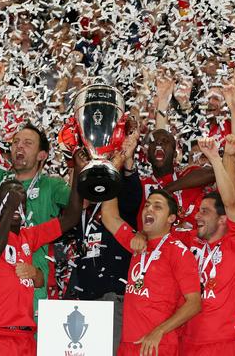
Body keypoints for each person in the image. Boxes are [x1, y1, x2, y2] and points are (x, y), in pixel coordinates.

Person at [0, 61, 71, 310]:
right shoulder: (0, 177)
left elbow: (75, 208)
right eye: (16, 142)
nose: (18, 146)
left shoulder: (53, 186)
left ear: (42, 155)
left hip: (35, 278)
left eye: (27, 143)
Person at [0, 150, 84, 356]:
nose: (16, 206)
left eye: (20, 202)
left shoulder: (28, 235)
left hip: (26, 336)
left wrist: (77, 169)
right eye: (9, 201)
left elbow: (71, 218)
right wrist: (8, 210)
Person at [101, 154, 203, 356]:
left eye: (158, 207)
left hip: (157, 345)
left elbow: (194, 303)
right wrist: (114, 166)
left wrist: (159, 332)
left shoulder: (178, 252)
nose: (149, 209)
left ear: (171, 218)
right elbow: (109, 216)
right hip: (128, 345)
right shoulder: (138, 243)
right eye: (147, 205)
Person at [63, 132, 142, 355]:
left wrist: (123, 158)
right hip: (84, 297)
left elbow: (132, 188)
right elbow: (72, 205)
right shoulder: (81, 209)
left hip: (111, 297)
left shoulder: (123, 197)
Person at [179, 135, 235, 355]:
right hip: (187, 338)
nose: (197, 216)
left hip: (221, 340)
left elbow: (230, 201)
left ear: (222, 219)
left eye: (205, 212)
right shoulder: (188, 240)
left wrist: (215, 157)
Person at [138, 128, 215, 231]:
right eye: (153, 142)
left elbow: (213, 173)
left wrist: (167, 189)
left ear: (174, 154)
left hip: (196, 244)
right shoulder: (141, 184)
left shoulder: (187, 174)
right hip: (158, 245)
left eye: (165, 141)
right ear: (147, 156)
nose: (159, 143)